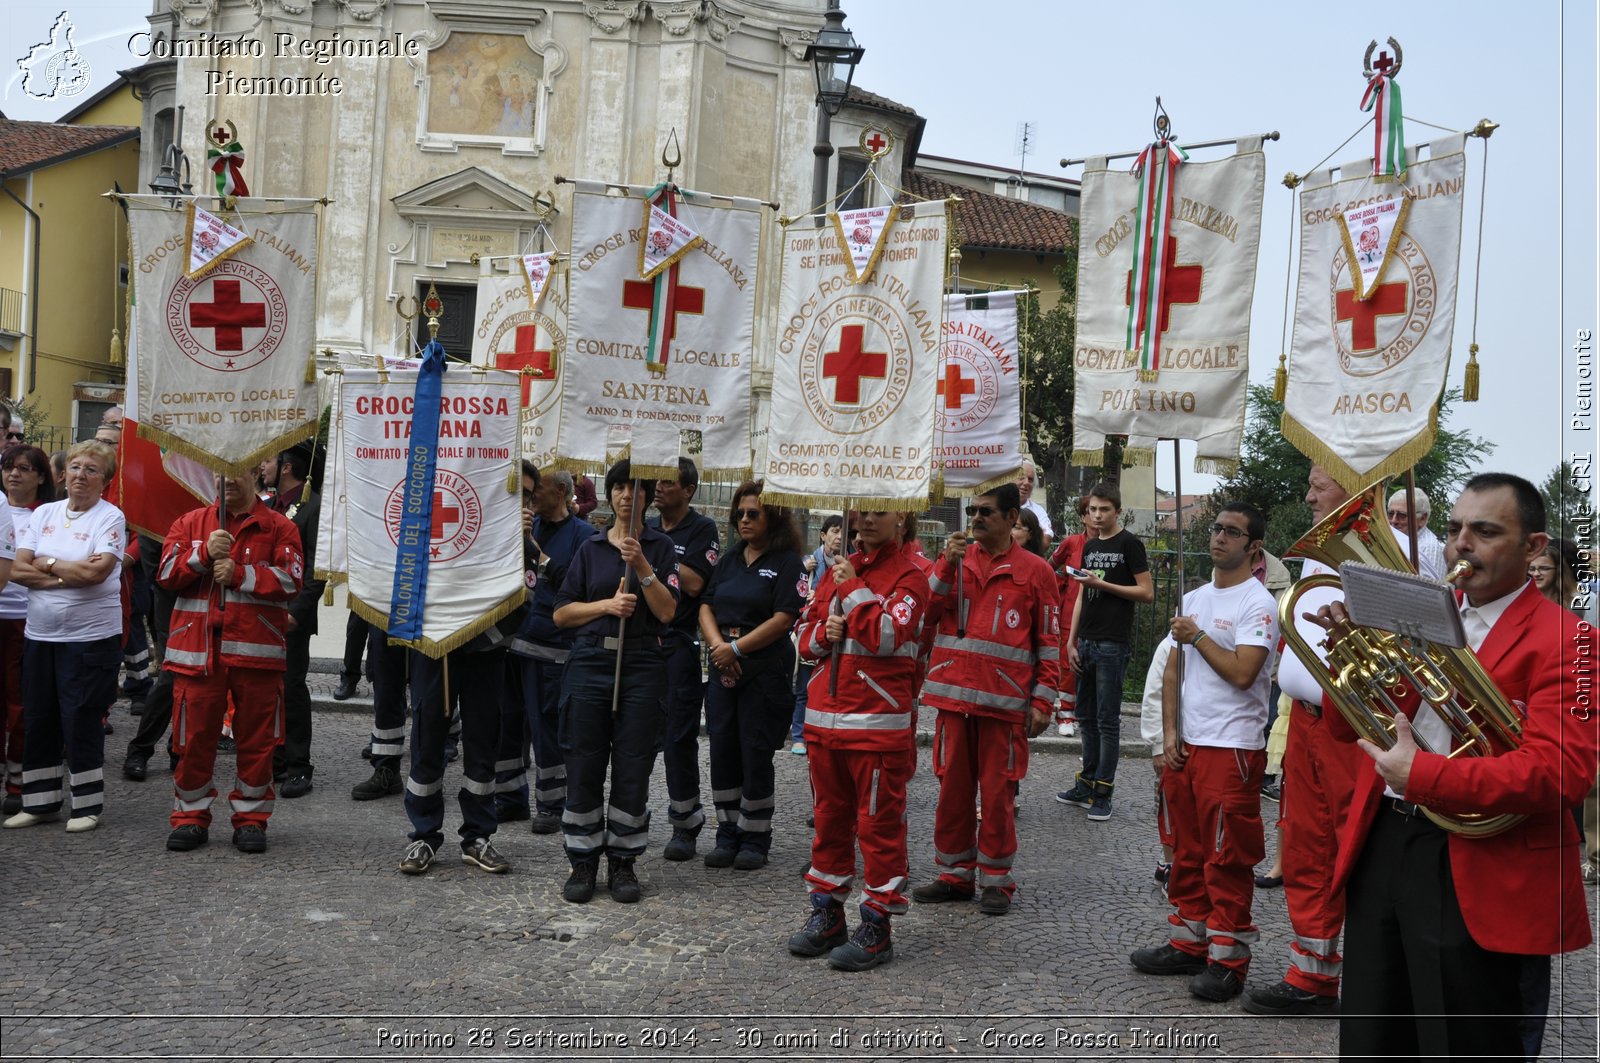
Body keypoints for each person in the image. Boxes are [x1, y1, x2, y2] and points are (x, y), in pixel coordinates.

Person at [1312, 472, 1597, 1060]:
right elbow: (1351, 730)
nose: (1461, 545)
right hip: (1387, 844)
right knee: (1372, 1036)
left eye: (1485, 531)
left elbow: (1562, 772)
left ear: (1534, 547)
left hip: (1484, 862)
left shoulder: (1575, 642)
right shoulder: (1415, 613)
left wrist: (1424, 778)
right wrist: (1350, 665)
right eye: (1455, 529)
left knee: (1464, 1045)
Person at [1130, 502, 1279, 1003]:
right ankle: (1189, 940)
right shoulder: (1194, 596)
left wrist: (1198, 636)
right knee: (1187, 851)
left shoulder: (1257, 604)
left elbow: (1243, 672)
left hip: (1231, 746)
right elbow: (1175, 670)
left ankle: (1229, 958)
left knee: (1225, 855)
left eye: (1232, 533)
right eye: (1216, 529)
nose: (1219, 538)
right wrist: (1169, 733)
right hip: (1189, 745)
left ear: (1252, 546)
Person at [789, 509, 929, 970]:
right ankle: (827, 914)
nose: (866, 520)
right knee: (828, 823)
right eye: (860, 512)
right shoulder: (836, 570)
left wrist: (850, 588)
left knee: (878, 831)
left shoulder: (912, 576)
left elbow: (886, 634)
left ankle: (877, 925)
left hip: (875, 728)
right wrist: (821, 636)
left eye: (878, 513)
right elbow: (801, 636)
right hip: (825, 725)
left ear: (903, 519)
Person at [912, 482, 1059, 915]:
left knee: (998, 795)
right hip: (954, 700)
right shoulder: (953, 562)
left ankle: (996, 880)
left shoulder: (1036, 571)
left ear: (1013, 518)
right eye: (973, 510)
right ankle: (954, 875)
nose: (975, 518)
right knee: (952, 793)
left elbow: (1049, 641)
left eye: (986, 512)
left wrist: (1043, 701)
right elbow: (924, 615)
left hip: (1004, 704)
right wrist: (943, 566)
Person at [552, 460, 679, 904]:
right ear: (611, 495)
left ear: (647, 497)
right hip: (590, 662)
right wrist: (606, 606)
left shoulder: (661, 548)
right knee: (583, 761)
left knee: (633, 764)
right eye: (620, 487)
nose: (628, 495)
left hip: (642, 663)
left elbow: (667, 611)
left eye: (636, 488)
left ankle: (623, 860)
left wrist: (642, 564)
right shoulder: (590, 548)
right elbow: (562, 613)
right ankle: (583, 860)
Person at [156, 473, 302, 853]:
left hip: (256, 652)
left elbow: (292, 580)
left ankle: (251, 819)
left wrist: (240, 574)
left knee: (258, 741)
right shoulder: (189, 523)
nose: (226, 480)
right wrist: (202, 556)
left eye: (236, 470)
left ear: (254, 473)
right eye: (219, 472)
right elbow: (167, 574)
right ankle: (190, 818)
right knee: (193, 740)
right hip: (199, 653)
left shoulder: (280, 526)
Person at [3, 441, 123, 833]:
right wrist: (66, 573)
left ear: (105, 480)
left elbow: (96, 575)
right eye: (74, 467)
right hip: (40, 635)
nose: (80, 476)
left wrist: (47, 564)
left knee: (81, 717)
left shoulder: (110, 517)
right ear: (62, 474)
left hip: (89, 638)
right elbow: (17, 570)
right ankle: (40, 802)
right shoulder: (46, 513)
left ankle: (86, 805)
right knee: (39, 716)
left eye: (91, 470)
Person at [697, 481, 804, 871]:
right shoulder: (729, 560)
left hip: (763, 668)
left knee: (754, 752)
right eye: (739, 513)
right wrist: (718, 648)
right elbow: (706, 605)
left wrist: (738, 649)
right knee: (722, 749)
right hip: (723, 663)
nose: (744, 519)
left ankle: (755, 837)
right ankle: (727, 833)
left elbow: (784, 618)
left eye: (753, 513)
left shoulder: (787, 562)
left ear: (772, 516)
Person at [500, 464, 596, 833]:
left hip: (552, 649)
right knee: (506, 724)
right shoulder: (526, 526)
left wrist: (539, 555)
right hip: (512, 641)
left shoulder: (583, 536)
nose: (530, 496)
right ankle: (509, 798)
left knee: (547, 730)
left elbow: (577, 586)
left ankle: (552, 803)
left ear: (560, 491)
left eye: (536, 489)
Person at [398, 598, 520, 878]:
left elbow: (525, 591)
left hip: (487, 647)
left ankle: (478, 836)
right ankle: (423, 835)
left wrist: (481, 635)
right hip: (433, 646)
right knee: (426, 741)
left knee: (483, 744)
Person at [1057, 481, 1153, 821]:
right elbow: (1081, 595)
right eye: (1093, 509)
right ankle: (1086, 782)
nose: (1097, 515)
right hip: (1086, 642)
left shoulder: (1130, 544)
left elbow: (1146, 592)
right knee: (1085, 717)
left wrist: (1102, 584)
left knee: (1107, 721)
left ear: (1118, 511)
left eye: (1104, 510)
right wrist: (1071, 640)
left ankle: (1103, 792)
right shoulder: (1091, 545)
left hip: (1113, 643)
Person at [646, 458, 720, 861]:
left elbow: (694, 582)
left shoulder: (702, 529)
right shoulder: (649, 527)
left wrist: (650, 561)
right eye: (655, 481)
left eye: (667, 482)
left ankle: (685, 823)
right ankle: (629, 818)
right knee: (634, 736)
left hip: (678, 644)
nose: (658, 488)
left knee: (678, 739)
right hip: (644, 644)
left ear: (688, 489)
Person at [260, 443, 324, 799]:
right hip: (263, 611)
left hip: (290, 617)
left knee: (292, 689)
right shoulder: (269, 505)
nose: (263, 467)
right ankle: (276, 758)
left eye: (269, 460)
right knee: (266, 691)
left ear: (287, 467)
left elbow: (316, 567)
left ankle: (299, 765)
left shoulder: (313, 506)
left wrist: (297, 612)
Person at [1, 444, 53, 814]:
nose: (13, 474)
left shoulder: (46, 515)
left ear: (40, 477)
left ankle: (18, 781)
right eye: (7, 467)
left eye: (22, 468)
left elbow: (54, 565)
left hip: (25, 618)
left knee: (18, 703)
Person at [791, 515, 844, 755]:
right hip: (812, 631)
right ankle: (799, 735)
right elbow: (790, 595)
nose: (839, 536)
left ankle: (823, 734)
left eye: (843, 531)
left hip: (835, 633)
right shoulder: (808, 562)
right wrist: (803, 575)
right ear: (823, 535)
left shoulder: (847, 564)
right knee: (804, 687)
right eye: (834, 531)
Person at [1047, 496, 1090, 737]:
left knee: (1092, 670)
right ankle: (1065, 715)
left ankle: (1085, 715)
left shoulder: (1114, 547)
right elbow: (1048, 568)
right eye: (1089, 511)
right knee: (1068, 669)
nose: (1095, 517)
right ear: (1083, 517)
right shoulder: (1071, 543)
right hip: (1069, 617)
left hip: (1099, 620)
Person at [1386, 486, 1446, 580]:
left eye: (1402, 515)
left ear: (1423, 518)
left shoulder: (1430, 548)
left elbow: (1431, 590)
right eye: (1390, 514)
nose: (1394, 520)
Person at [1015, 459, 1054, 545]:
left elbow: (1046, 538)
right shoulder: (998, 506)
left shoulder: (1038, 511)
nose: (1026, 483)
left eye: (1030, 479)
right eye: (1021, 477)